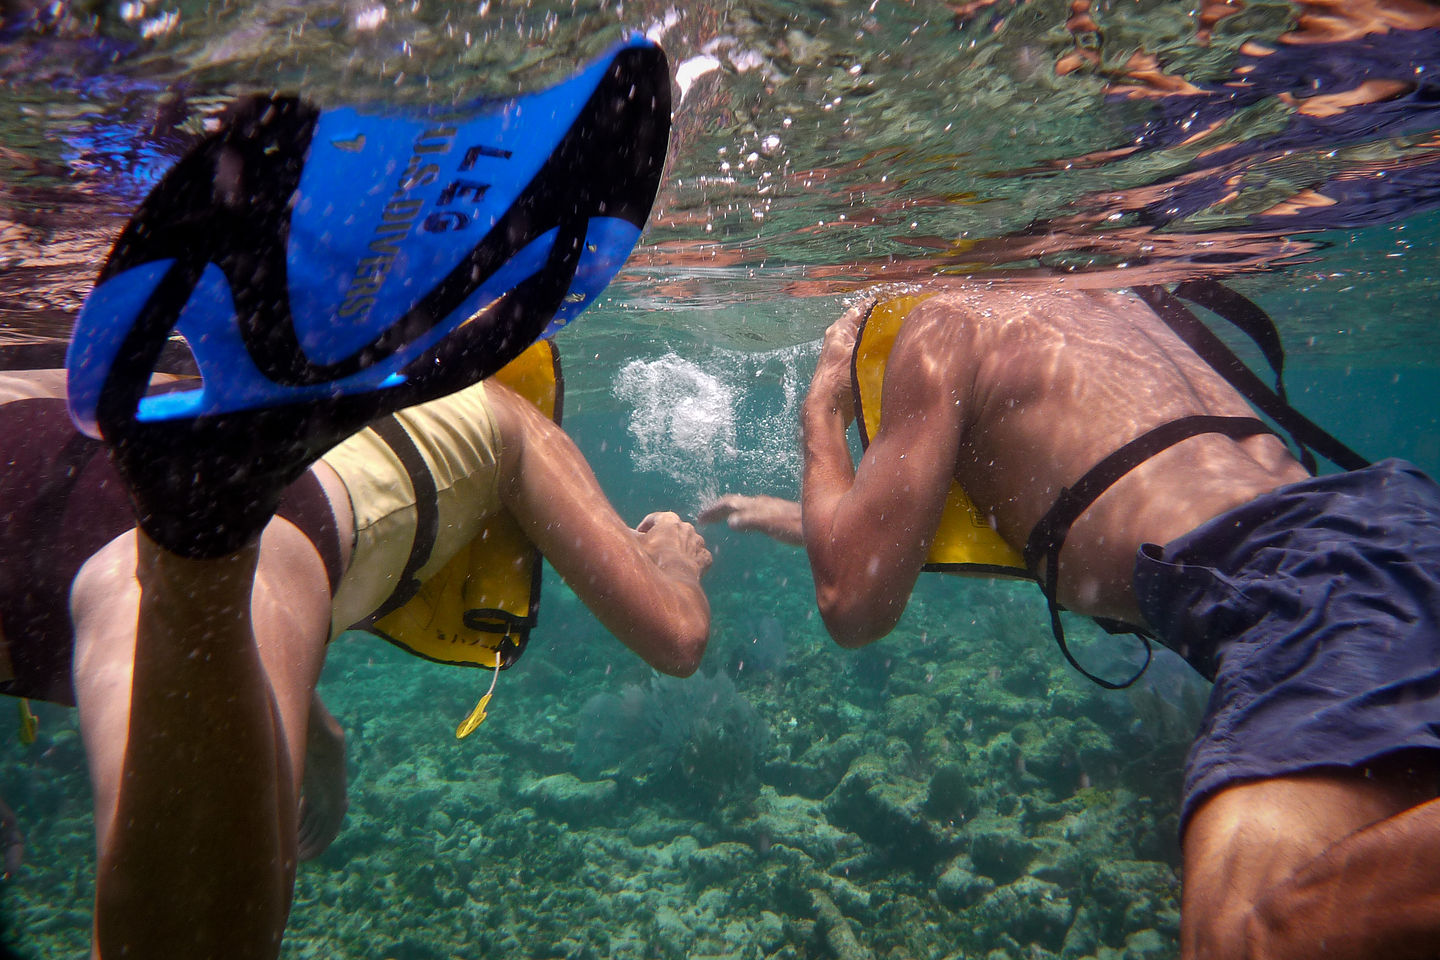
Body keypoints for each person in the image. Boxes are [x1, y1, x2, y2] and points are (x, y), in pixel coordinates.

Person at [700, 284, 1440, 960]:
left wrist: (823, 404)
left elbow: (851, 603)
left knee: (1244, 937)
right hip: (1395, 526)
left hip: (1287, 582)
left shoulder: (946, 322)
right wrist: (795, 519)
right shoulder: (1113, 295)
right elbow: (1111, 490)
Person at [0, 364, 712, 960]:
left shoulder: (180, 370)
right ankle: (199, 554)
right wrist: (674, 562)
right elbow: (676, 639)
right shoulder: (503, 413)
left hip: (42, 448)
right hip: (249, 533)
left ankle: (198, 550)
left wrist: (315, 728)